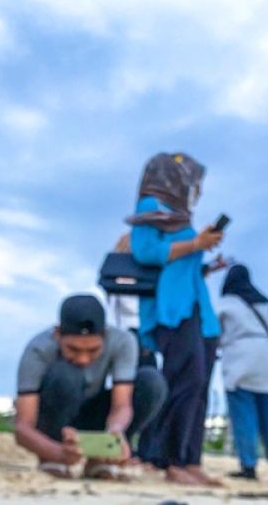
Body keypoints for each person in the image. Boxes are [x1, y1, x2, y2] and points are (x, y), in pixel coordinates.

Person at [127, 152, 223, 486]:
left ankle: (191, 458)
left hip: (198, 307)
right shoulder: (151, 205)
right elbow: (145, 252)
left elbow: (183, 266)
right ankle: (170, 459)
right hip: (171, 308)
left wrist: (204, 253)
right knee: (185, 379)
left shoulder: (182, 216)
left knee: (200, 384)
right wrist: (196, 243)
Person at [13, 294, 166, 480]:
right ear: (57, 334)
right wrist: (57, 452)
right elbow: (23, 428)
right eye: (73, 349)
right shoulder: (38, 349)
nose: (83, 359)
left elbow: (122, 404)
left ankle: (100, 457)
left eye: (93, 350)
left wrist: (115, 433)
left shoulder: (123, 341)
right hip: (54, 420)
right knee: (66, 374)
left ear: (105, 334)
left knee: (151, 382)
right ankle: (52, 459)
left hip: (94, 416)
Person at [217, 264, 268, 483]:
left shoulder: (225, 304)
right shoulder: (266, 303)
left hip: (240, 359)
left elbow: (215, 332)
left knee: (244, 417)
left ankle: (249, 466)